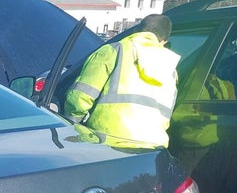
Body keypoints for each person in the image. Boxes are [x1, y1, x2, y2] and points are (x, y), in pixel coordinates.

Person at [64, 14, 180, 148]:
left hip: (107, 142)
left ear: (136, 31)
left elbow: (81, 96)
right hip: (152, 148)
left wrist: (72, 123)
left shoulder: (114, 50)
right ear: (164, 41)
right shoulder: (170, 68)